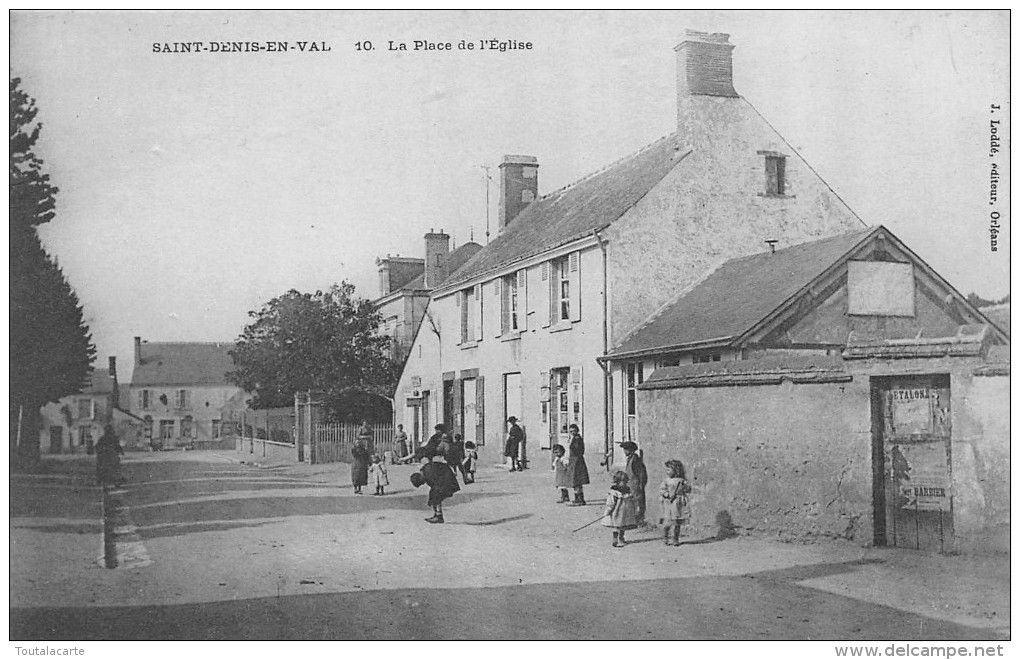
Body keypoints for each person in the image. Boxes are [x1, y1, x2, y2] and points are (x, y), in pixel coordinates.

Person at [409, 448, 460, 523]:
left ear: (420, 478)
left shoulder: (428, 473)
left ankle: (438, 516)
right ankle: (437, 515)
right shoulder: (425, 471)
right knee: (434, 495)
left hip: (448, 480)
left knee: (435, 495)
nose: (423, 483)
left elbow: (437, 485)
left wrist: (432, 499)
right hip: (446, 478)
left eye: (422, 483)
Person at [659, 459, 692, 546]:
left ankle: (675, 538)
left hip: (678, 503)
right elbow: (662, 489)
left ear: (676, 470)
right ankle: (665, 537)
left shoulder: (681, 480)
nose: (667, 471)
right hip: (670, 503)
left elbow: (688, 489)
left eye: (669, 470)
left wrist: (685, 487)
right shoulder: (666, 480)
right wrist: (666, 494)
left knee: (677, 522)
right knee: (668, 522)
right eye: (667, 470)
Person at [602, 470, 638, 547]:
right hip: (617, 512)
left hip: (625, 512)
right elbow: (610, 502)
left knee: (623, 525)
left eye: (626, 482)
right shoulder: (614, 492)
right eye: (623, 482)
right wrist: (608, 511)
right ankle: (615, 539)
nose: (625, 483)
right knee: (616, 526)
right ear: (617, 481)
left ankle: (621, 538)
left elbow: (632, 500)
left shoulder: (627, 490)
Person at [621, 441, 648, 523]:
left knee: (638, 502)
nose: (624, 451)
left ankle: (639, 520)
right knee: (632, 502)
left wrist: (641, 484)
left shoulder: (635, 460)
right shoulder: (631, 459)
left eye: (626, 450)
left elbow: (641, 473)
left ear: (631, 450)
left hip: (635, 484)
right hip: (631, 484)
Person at [567, 424, 590, 506]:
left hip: (577, 461)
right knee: (576, 481)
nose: (572, 433)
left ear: (577, 431)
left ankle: (579, 499)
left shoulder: (577, 439)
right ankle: (578, 498)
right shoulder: (575, 439)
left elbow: (578, 450)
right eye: (571, 431)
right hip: (574, 461)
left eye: (574, 431)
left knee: (577, 480)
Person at [95, 424, 124, 489]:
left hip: (105, 458)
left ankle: (106, 485)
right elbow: (118, 446)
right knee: (114, 470)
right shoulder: (113, 438)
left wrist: (100, 454)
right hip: (112, 457)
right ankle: (115, 484)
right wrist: (121, 452)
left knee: (106, 471)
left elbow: (97, 447)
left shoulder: (102, 438)